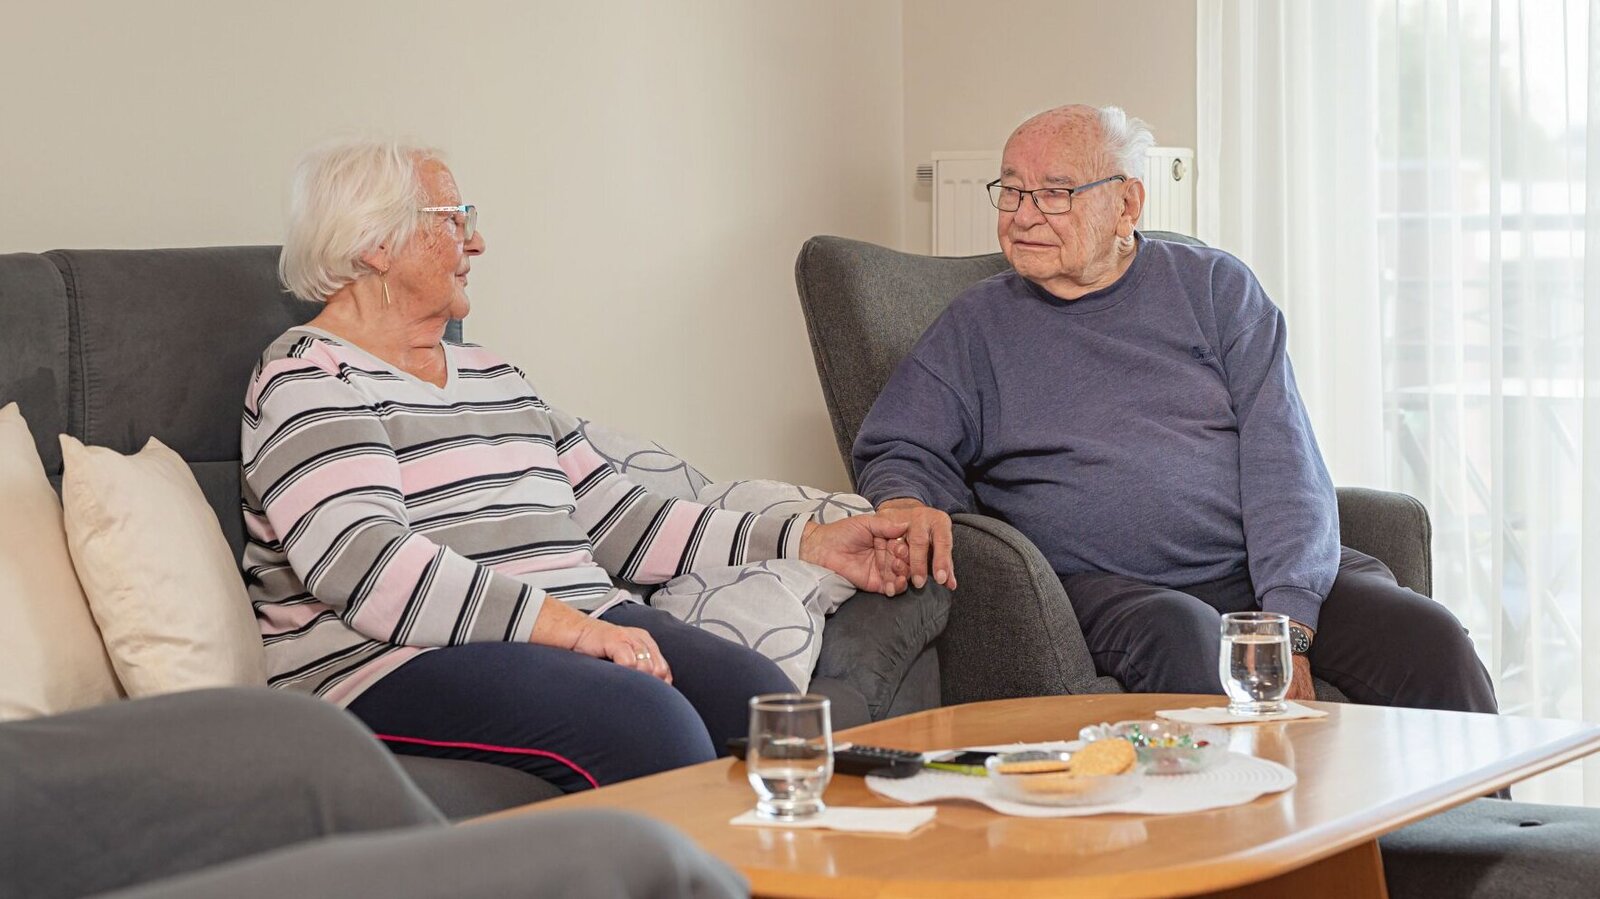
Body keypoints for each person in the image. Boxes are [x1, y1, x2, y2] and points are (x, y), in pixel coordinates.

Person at [245, 139, 914, 793]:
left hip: (572, 623)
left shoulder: (495, 375)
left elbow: (623, 518)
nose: (476, 244)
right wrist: (574, 630)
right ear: (375, 243)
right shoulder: (309, 376)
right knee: (652, 729)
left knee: (768, 708)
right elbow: (368, 567)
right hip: (401, 659)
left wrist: (807, 539)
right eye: (455, 221)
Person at [852, 104, 1498, 714]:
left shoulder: (1215, 289)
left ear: (1127, 202)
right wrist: (907, 498)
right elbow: (903, 442)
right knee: (1189, 636)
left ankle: (1476, 833)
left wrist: (1288, 624)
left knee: (1429, 640)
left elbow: (1284, 460)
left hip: (1250, 573)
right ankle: (1255, 827)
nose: (1022, 215)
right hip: (1108, 590)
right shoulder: (977, 326)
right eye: (1012, 191)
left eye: (1054, 193)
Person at [0, 689, 747, 899]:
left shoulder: (493, 375)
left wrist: (791, 527)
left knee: (306, 744)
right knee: (627, 861)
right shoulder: (310, 382)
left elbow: (615, 498)